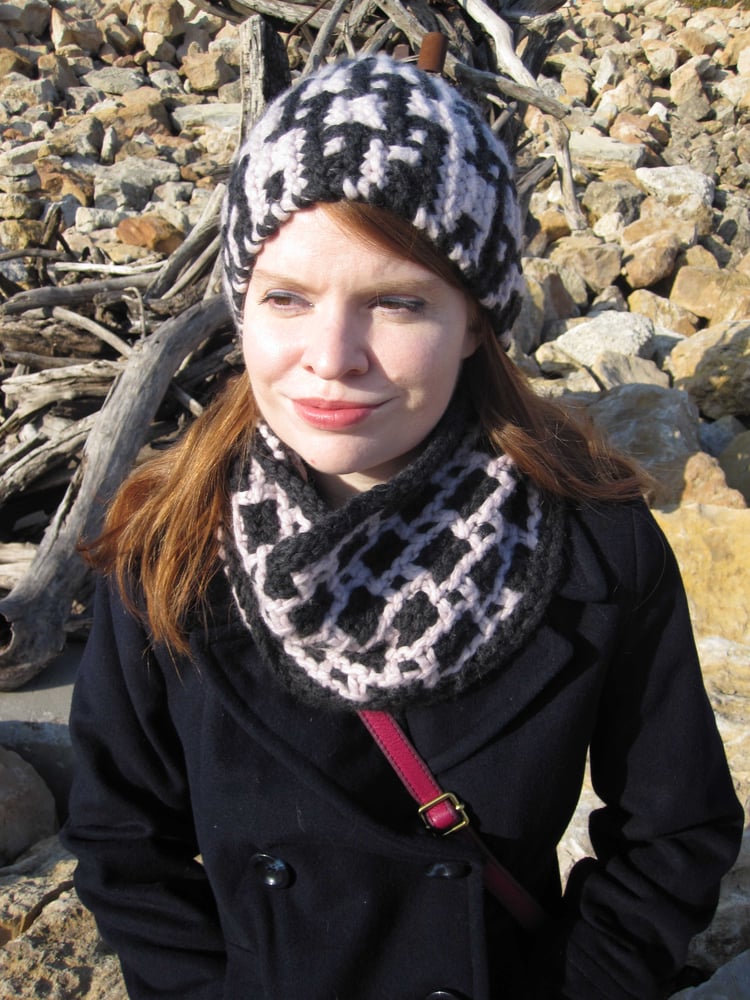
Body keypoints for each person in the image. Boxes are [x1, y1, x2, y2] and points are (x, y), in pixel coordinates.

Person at [62, 54, 743, 1000]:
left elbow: (675, 834)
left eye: (397, 301)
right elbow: (123, 840)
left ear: (474, 319)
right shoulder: (168, 547)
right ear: (242, 306)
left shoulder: (594, 545)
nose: (331, 359)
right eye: (287, 298)